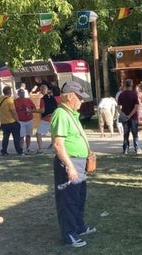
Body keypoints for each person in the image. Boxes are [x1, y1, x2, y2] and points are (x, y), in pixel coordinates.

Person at [51, 81, 96, 248]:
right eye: (79, 97)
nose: (82, 101)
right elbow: (58, 145)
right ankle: (68, 234)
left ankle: (78, 227)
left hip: (79, 162)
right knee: (68, 200)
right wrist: (69, 166)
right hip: (70, 163)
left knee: (78, 197)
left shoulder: (70, 113)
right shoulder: (61, 114)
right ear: (69, 96)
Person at [117, 79, 142, 154]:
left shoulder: (121, 94)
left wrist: (124, 114)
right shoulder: (134, 94)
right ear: (132, 85)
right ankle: (137, 148)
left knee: (126, 133)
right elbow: (136, 107)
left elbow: (118, 108)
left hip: (125, 117)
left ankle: (125, 149)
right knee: (135, 134)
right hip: (133, 117)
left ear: (125, 85)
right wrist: (130, 115)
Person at [0, 86, 23, 156]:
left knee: (5, 138)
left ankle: (4, 151)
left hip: (3, 122)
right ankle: (19, 151)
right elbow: (13, 112)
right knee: (16, 138)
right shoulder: (10, 100)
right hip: (12, 122)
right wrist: (17, 120)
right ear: (10, 93)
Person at [35, 85, 58, 153]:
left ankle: (40, 149)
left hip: (46, 118)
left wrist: (32, 111)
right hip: (54, 118)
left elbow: (42, 110)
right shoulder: (53, 98)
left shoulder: (42, 99)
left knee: (38, 133)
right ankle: (55, 148)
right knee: (54, 133)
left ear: (41, 91)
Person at [14, 88, 37, 154]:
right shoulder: (15, 101)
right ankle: (21, 149)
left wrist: (30, 111)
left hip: (29, 119)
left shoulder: (28, 100)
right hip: (21, 121)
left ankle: (28, 147)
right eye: (20, 92)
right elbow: (14, 111)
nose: (22, 94)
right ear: (18, 94)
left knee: (28, 135)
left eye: (23, 92)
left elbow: (34, 108)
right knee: (21, 136)